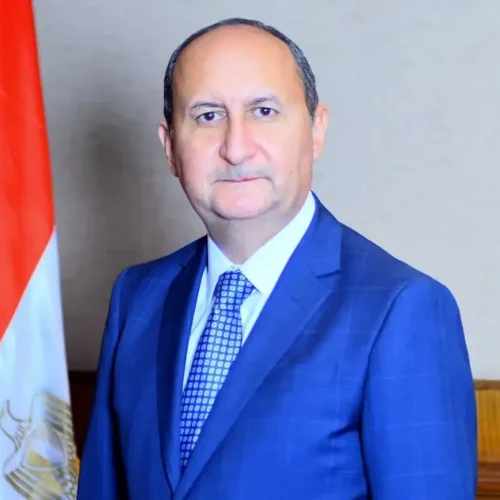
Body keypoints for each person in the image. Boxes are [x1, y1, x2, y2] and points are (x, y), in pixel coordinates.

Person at [77, 17, 477, 499]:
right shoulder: (138, 298)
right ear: (170, 148)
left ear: (316, 130)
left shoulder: (402, 309)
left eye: (263, 111)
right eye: (208, 116)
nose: (236, 148)